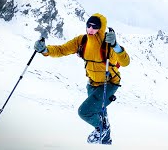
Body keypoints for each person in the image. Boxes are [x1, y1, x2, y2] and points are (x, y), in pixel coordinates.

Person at [34, 13, 130, 144]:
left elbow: (125, 62)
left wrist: (115, 46)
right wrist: (45, 50)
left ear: (101, 28)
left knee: (85, 112)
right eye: (88, 26)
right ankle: (106, 143)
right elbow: (62, 50)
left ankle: (102, 128)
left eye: (94, 27)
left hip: (109, 83)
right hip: (92, 84)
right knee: (100, 113)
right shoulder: (81, 41)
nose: (90, 29)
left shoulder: (108, 44)